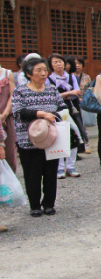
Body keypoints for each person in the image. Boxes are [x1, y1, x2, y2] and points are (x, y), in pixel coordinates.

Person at [12, 56, 67, 217]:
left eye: (45, 70)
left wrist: (54, 115)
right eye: (39, 70)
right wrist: (42, 114)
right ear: (28, 73)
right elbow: (19, 112)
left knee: (50, 173)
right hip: (29, 141)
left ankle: (49, 203)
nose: (44, 73)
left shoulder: (51, 90)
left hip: (51, 140)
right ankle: (35, 205)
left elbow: (63, 107)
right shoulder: (20, 91)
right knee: (32, 174)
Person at [47, 53, 83, 178]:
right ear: (51, 65)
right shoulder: (49, 79)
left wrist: (65, 94)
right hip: (56, 110)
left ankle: (71, 166)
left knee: (74, 136)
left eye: (60, 61)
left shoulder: (71, 77)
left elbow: (77, 93)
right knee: (59, 137)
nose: (59, 64)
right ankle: (60, 168)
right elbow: (51, 96)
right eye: (55, 62)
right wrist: (69, 93)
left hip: (71, 108)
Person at [0, 61, 17, 172]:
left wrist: (5, 113)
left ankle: (10, 183)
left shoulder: (7, 73)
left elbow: (12, 95)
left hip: (6, 117)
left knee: (10, 152)